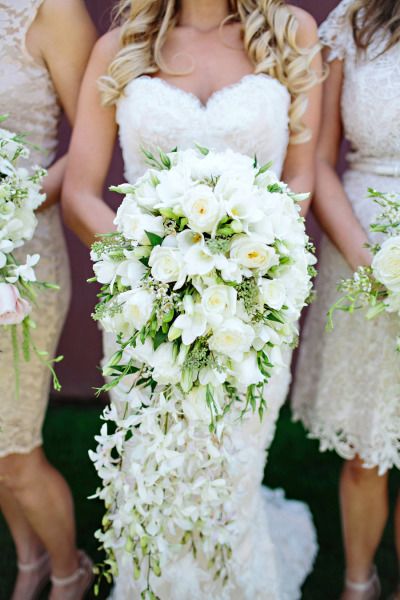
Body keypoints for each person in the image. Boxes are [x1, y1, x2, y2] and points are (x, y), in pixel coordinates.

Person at [62, 0, 322, 597]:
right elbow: (80, 193)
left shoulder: (289, 34)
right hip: (143, 308)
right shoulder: (121, 46)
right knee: (150, 474)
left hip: (252, 306)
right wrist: (155, 270)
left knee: (230, 472)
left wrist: (247, 262)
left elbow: (302, 175)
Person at [292, 1, 400, 598]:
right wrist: (368, 261)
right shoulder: (353, 21)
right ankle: (359, 583)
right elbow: (318, 162)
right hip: (361, 247)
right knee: (366, 451)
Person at [0, 1, 97, 598]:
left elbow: (88, 141)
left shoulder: (52, 11)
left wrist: (11, 205)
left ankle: (68, 572)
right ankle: (29, 562)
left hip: (20, 255)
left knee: (14, 450)